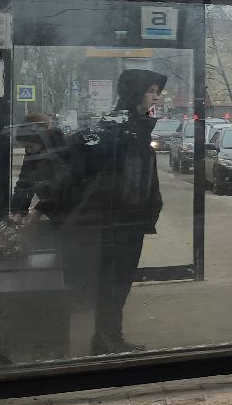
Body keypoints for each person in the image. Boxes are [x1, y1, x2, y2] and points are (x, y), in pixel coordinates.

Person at [66, 68, 166, 354]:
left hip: (129, 220)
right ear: (135, 93)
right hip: (117, 221)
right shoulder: (119, 129)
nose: (156, 97)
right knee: (112, 283)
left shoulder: (134, 127)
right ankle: (106, 340)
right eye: (151, 91)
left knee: (119, 283)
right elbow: (105, 177)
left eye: (157, 92)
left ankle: (109, 337)